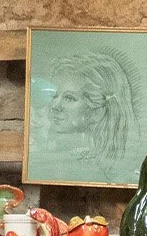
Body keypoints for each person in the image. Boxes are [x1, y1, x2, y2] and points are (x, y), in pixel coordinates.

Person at [36, 47, 136, 178]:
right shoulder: (50, 156)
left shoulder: (109, 171)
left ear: (98, 111)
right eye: (54, 96)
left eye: (69, 98)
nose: (55, 106)